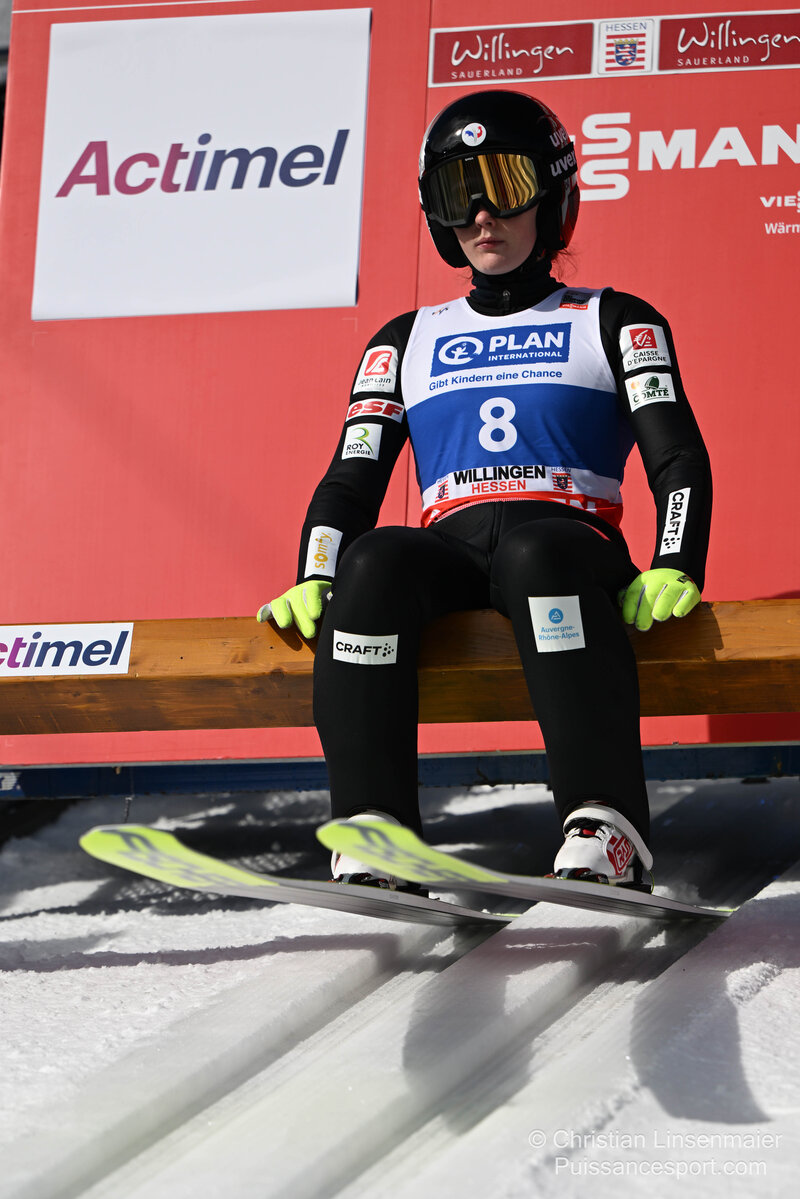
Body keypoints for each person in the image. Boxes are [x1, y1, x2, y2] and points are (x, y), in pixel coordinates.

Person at [258, 90, 711, 893]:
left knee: (537, 551)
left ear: (553, 195)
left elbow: (676, 456)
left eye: (504, 185)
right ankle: (375, 831)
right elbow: (351, 480)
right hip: (456, 548)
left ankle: (606, 825)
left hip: (568, 542)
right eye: (455, 193)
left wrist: (677, 559)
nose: (481, 215)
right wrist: (317, 569)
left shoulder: (615, 320)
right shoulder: (404, 340)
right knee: (373, 563)